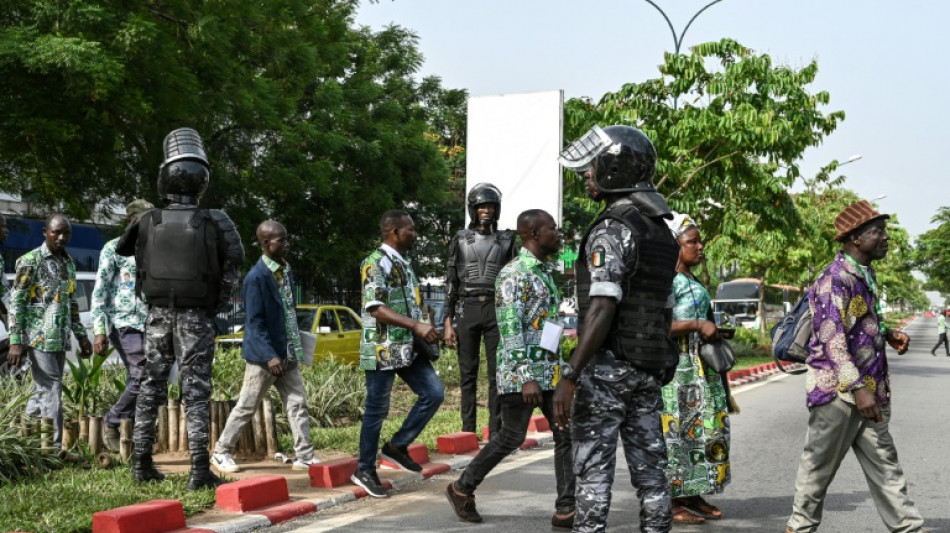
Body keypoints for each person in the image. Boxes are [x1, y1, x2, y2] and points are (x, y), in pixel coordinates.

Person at [553, 124, 680, 533]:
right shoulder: (661, 229)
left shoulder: (612, 228)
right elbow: (664, 306)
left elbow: (603, 304)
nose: (587, 176)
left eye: (592, 168)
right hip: (648, 366)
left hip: (608, 368)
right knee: (652, 475)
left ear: (613, 168)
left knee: (592, 475)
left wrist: (571, 373)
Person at [116, 128, 244, 490]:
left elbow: (123, 250)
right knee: (196, 391)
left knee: (150, 387)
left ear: (164, 177)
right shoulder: (216, 220)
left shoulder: (147, 219)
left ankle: (141, 463)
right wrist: (217, 305)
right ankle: (198, 470)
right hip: (196, 317)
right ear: (203, 179)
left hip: (157, 314)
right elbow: (235, 263)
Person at [785, 199, 924, 533]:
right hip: (840, 393)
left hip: (870, 391)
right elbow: (832, 341)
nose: (885, 238)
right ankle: (799, 528)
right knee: (817, 471)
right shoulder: (834, 280)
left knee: (887, 469)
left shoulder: (864, 274)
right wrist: (859, 390)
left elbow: (854, 323)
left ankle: (910, 528)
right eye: (878, 232)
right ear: (854, 239)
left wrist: (887, 334)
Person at [446, 209, 576, 528]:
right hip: (525, 377)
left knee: (565, 433)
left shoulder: (545, 271)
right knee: (511, 437)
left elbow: (548, 324)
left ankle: (566, 508)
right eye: (552, 229)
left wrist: (559, 367)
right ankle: (462, 488)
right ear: (532, 233)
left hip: (548, 372)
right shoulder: (513, 274)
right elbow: (510, 328)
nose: (557, 234)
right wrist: (525, 376)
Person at [211, 220, 320, 473]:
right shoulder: (256, 278)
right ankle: (221, 451)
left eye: (286, 238)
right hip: (264, 358)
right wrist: (271, 356)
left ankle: (304, 454)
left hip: (287, 352)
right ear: (265, 243)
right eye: (281, 240)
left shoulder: (285, 271)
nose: (286, 243)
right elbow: (255, 323)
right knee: (247, 406)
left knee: (297, 403)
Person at [353, 209, 444, 498]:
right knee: (377, 409)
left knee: (434, 393)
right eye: (410, 229)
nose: (414, 234)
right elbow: (375, 308)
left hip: (409, 348)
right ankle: (364, 468)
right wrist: (416, 325)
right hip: (382, 347)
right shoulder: (374, 263)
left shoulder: (404, 264)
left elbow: (412, 305)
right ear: (393, 231)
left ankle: (396, 447)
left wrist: (429, 327)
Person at [660, 213, 731, 524]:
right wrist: (696, 324)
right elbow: (659, 325)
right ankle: (671, 501)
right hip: (677, 370)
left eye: (700, 241)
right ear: (675, 246)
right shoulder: (666, 281)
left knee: (702, 433)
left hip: (700, 370)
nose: (700, 247)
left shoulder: (692, 279)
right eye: (692, 242)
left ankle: (691, 492)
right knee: (676, 436)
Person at [7, 214, 94, 449]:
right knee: (52, 387)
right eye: (57, 232)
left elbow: (72, 302)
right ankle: (54, 450)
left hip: (61, 338)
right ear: (45, 232)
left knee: (40, 391)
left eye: (66, 233)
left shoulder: (69, 264)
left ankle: (21, 440)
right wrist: (16, 341)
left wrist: (82, 336)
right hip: (39, 338)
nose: (62, 237)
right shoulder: (30, 260)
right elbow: (17, 302)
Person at [443, 183, 517, 435]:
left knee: (497, 374)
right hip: (468, 308)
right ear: (472, 209)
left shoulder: (507, 239)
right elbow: (451, 281)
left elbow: (515, 278)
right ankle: (467, 430)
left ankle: (496, 430)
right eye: (482, 206)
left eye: (491, 206)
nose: (486, 210)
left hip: (497, 309)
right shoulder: (461, 239)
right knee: (467, 373)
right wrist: (447, 322)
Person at [91, 199, 154, 452]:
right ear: (130, 221)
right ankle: (112, 421)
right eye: (143, 219)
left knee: (141, 376)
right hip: (124, 321)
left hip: (150, 322)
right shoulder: (113, 248)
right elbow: (100, 291)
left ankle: (136, 430)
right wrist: (99, 330)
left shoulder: (155, 248)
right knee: (141, 373)